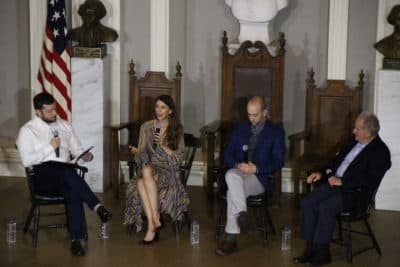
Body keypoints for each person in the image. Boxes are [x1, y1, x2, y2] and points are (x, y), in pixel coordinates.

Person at [16, 92, 112, 256]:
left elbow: (77, 150)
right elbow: (27, 161)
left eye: (55, 109)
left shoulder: (65, 126)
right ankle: (97, 206)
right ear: (38, 112)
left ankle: (76, 241)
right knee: (67, 172)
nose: (54, 114)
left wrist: (85, 156)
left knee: (72, 188)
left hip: (66, 174)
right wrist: (49, 148)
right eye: (49, 111)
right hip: (42, 176)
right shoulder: (27, 131)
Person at [294, 112, 391, 266]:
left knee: (325, 207)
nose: (353, 131)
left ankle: (323, 251)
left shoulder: (380, 152)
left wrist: (343, 181)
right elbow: (335, 162)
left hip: (355, 194)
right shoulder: (353, 141)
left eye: (357, 129)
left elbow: (369, 180)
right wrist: (321, 172)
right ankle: (311, 247)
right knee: (308, 202)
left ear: (367, 132)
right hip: (334, 184)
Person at [215, 96, 285, 256]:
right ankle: (242, 213)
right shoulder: (240, 128)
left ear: (265, 112)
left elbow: (279, 161)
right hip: (239, 173)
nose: (251, 118)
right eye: (249, 114)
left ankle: (231, 238)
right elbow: (227, 154)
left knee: (232, 192)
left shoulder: (275, 132)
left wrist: (257, 169)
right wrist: (238, 165)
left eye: (255, 115)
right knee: (231, 175)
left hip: (259, 178)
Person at [123, 95, 189, 244]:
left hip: (169, 170)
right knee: (144, 173)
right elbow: (141, 158)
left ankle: (152, 223)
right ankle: (154, 222)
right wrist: (137, 152)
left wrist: (163, 146)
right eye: (157, 106)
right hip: (150, 168)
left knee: (141, 182)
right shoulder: (146, 127)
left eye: (163, 107)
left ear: (170, 111)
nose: (159, 110)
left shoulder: (177, 129)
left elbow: (178, 159)